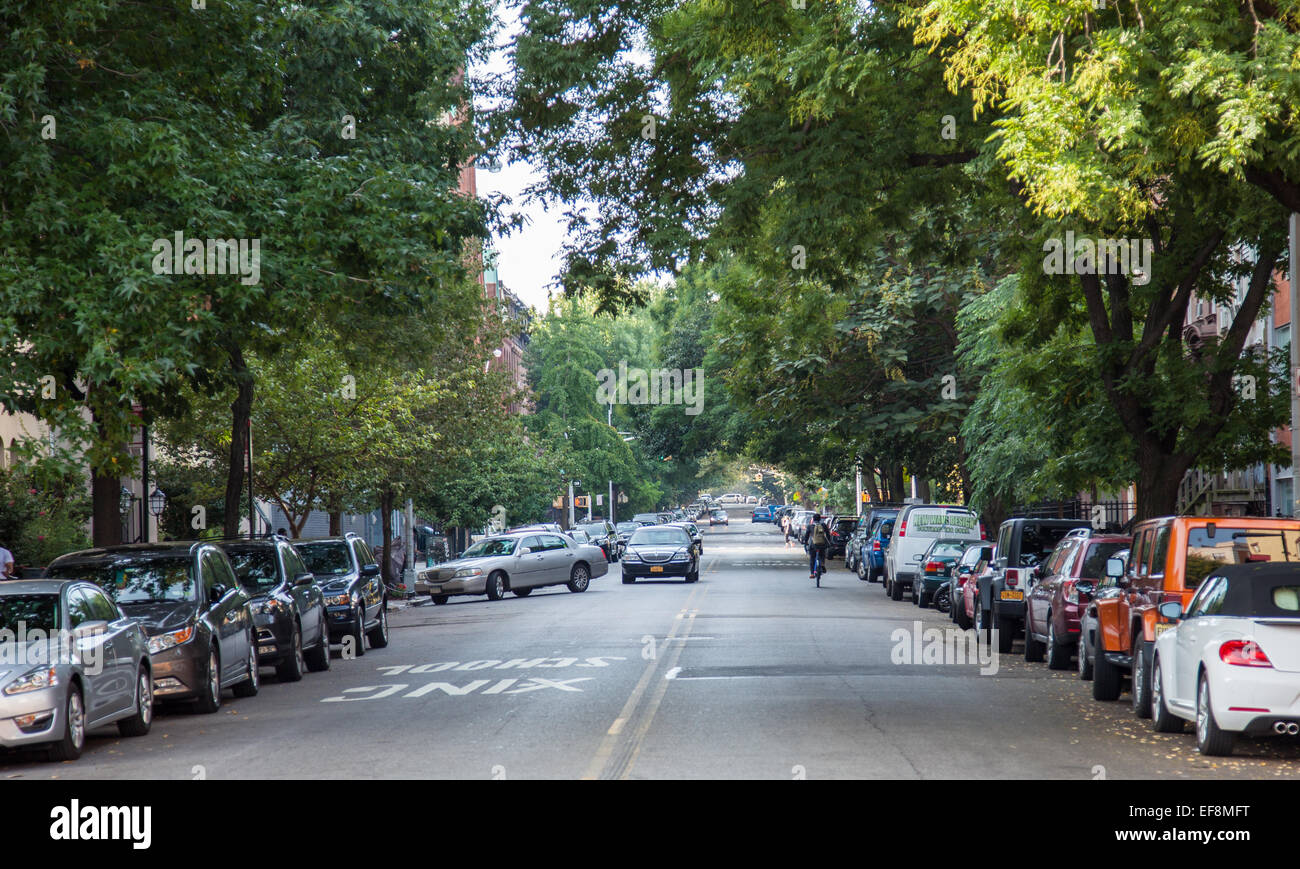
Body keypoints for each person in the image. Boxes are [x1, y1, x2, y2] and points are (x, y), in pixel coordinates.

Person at [806, 513, 829, 579]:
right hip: (822, 544)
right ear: (820, 519)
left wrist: (805, 542)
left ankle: (812, 573)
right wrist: (829, 541)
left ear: (813, 519)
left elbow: (806, 536)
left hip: (813, 545)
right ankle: (822, 564)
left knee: (812, 558)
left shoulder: (810, 526)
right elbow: (828, 534)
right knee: (822, 555)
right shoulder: (823, 525)